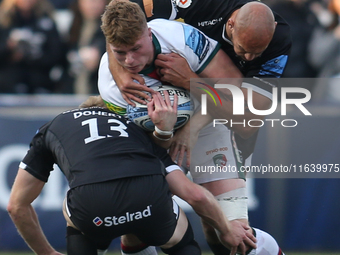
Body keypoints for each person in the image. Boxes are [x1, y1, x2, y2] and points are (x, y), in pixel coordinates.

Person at [101, 1, 289, 255]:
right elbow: (117, 14)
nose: (248, 59)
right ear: (230, 25)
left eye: (135, 49)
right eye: (244, 49)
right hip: (156, 138)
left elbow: (245, 117)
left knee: (233, 232)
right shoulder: (111, 82)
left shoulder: (184, 39)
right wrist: (117, 68)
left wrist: (191, 86)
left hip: (214, 120)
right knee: (137, 224)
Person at [7, 91, 256, 255]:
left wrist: (48, 253)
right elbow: (196, 196)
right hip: (148, 200)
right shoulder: (135, 130)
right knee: (175, 236)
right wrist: (225, 229)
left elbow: (16, 206)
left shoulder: (53, 127)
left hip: (93, 207)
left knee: (72, 208)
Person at [0, 0, 64, 94]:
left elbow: (57, 54)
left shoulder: (46, 21)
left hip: (40, 82)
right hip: (8, 84)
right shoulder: (4, 21)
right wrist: (9, 48)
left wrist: (34, 55)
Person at [56, 0, 108, 94]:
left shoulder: (111, 27)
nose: (93, 5)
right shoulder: (74, 26)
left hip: (97, 92)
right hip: (72, 90)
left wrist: (99, 55)